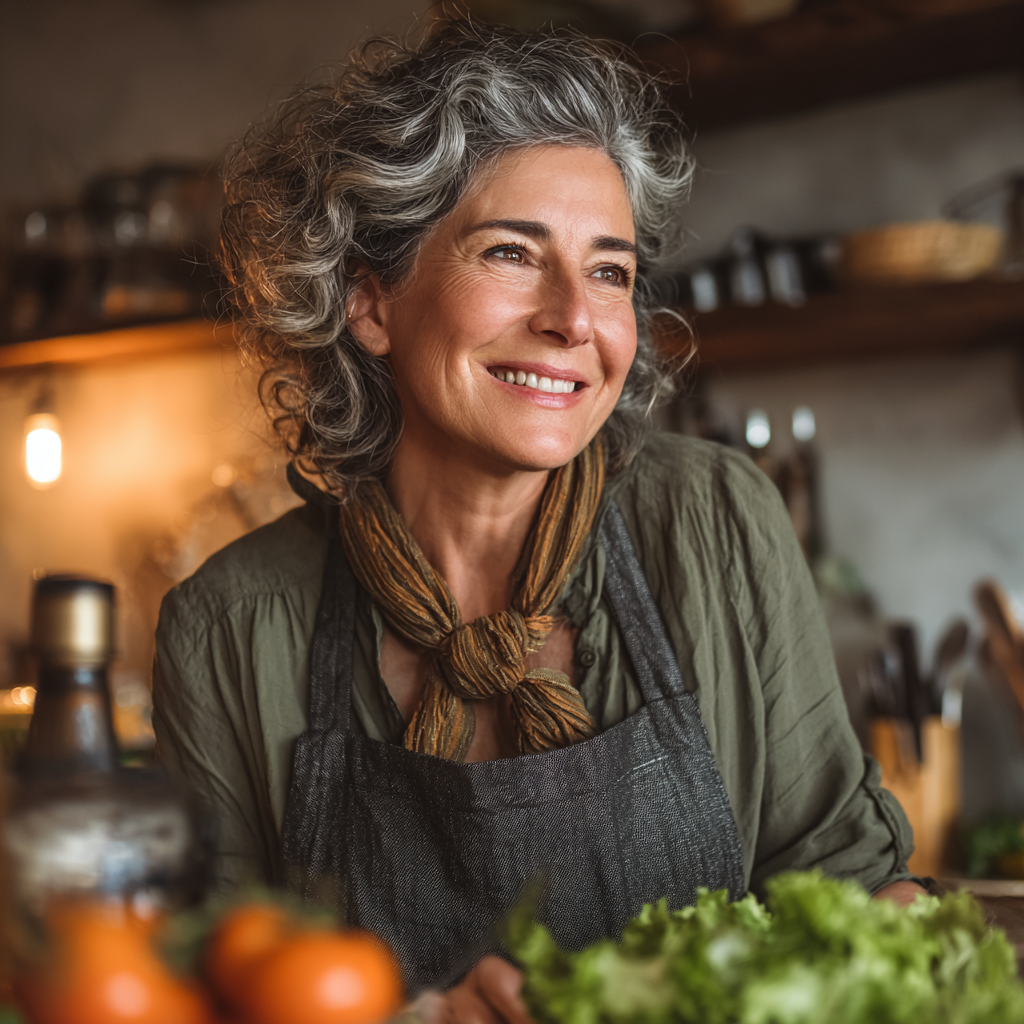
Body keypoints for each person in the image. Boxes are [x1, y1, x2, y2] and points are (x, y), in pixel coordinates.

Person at [153, 17, 923, 1020]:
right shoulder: (228, 626)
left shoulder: (709, 520)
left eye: (609, 270)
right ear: (371, 301)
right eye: (513, 253)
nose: (574, 316)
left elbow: (855, 890)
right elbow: (190, 994)